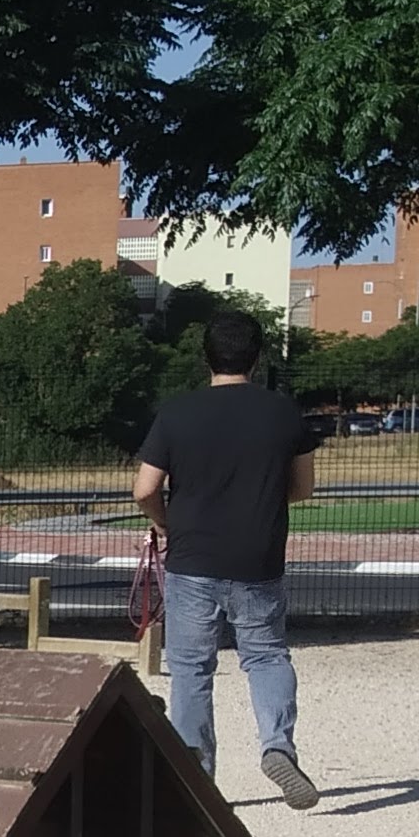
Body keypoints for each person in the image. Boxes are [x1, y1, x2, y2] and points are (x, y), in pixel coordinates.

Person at [131, 310, 321, 808]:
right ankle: (278, 745)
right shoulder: (284, 413)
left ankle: (195, 771)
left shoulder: (177, 412)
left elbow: (144, 488)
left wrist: (163, 521)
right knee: (266, 655)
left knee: (192, 666)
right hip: (258, 556)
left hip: (192, 557)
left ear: (206, 356)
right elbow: (301, 489)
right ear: (257, 357)